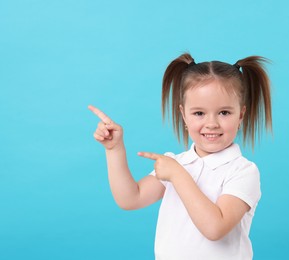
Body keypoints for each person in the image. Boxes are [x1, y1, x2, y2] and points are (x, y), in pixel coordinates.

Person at [88, 52, 272, 260]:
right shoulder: (176, 163)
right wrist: (114, 150)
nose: (211, 123)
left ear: (241, 115)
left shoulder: (242, 171)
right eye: (199, 113)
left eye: (224, 113)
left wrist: (178, 175)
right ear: (184, 114)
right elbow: (131, 198)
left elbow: (215, 228)